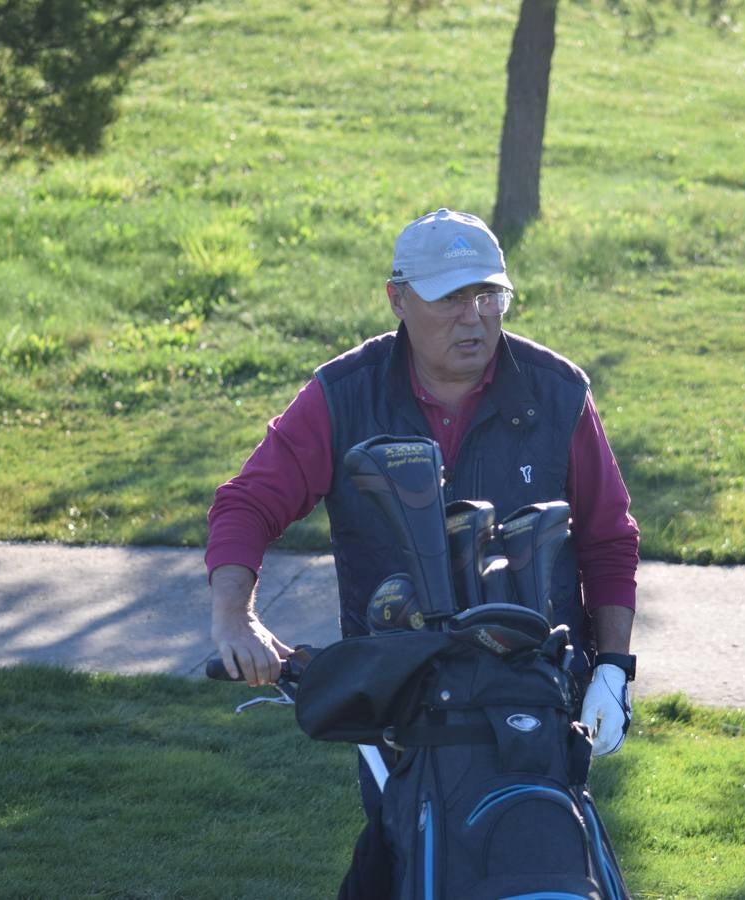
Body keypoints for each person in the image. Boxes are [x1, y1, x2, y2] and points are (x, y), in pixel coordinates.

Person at [206, 207, 640, 776]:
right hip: (398, 703)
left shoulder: (558, 393)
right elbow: (248, 503)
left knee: (545, 851)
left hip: (535, 695)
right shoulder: (344, 394)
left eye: (489, 297)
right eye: (450, 299)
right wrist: (237, 620)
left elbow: (607, 538)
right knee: (407, 860)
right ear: (397, 299)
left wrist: (611, 668)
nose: (474, 319)